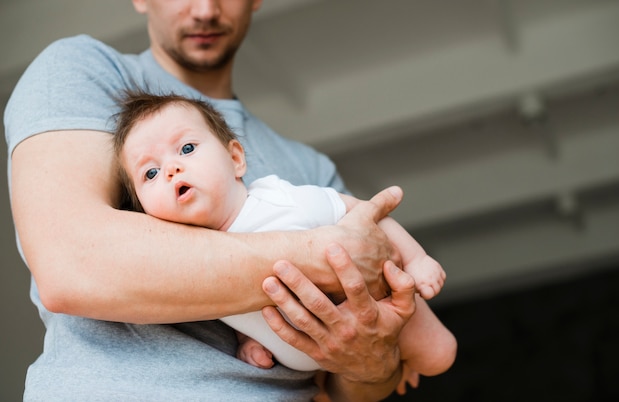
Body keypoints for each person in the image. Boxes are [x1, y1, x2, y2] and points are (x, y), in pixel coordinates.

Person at [4, 0, 456, 400]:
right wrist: (322, 254)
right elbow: (73, 265)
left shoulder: (310, 169)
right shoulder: (83, 70)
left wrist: (370, 366)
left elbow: (346, 389)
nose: (205, 10)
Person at [112, 90, 454, 386]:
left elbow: (366, 215)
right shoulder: (182, 261)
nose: (171, 169)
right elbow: (237, 308)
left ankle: (406, 356)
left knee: (438, 356)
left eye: (186, 148)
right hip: (325, 363)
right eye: (151, 172)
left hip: (379, 305)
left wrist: (416, 258)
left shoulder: (280, 199)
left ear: (235, 159)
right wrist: (247, 339)